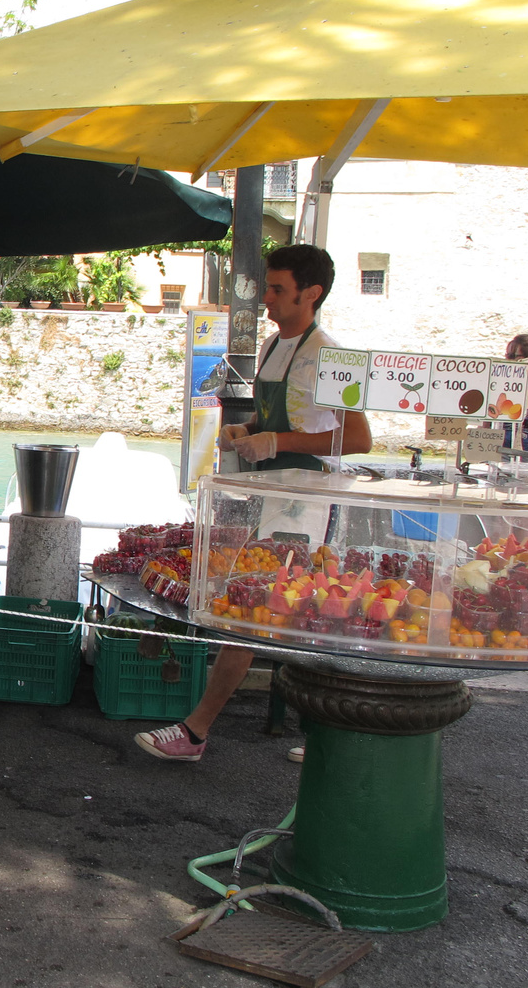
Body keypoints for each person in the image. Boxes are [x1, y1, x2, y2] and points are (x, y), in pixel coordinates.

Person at [136, 244, 372, 764]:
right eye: (267, 286)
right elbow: (277, 420)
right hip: (267, 495)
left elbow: (358, 440)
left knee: (258, 609)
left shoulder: (336, 358)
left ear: (311, 294)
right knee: (287, 609)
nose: (265, 298)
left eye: (277, 289)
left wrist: (279, 443)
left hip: (307, 503)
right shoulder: (271, 346)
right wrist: (249, 431)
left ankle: (197, 732)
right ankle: (327, 736)